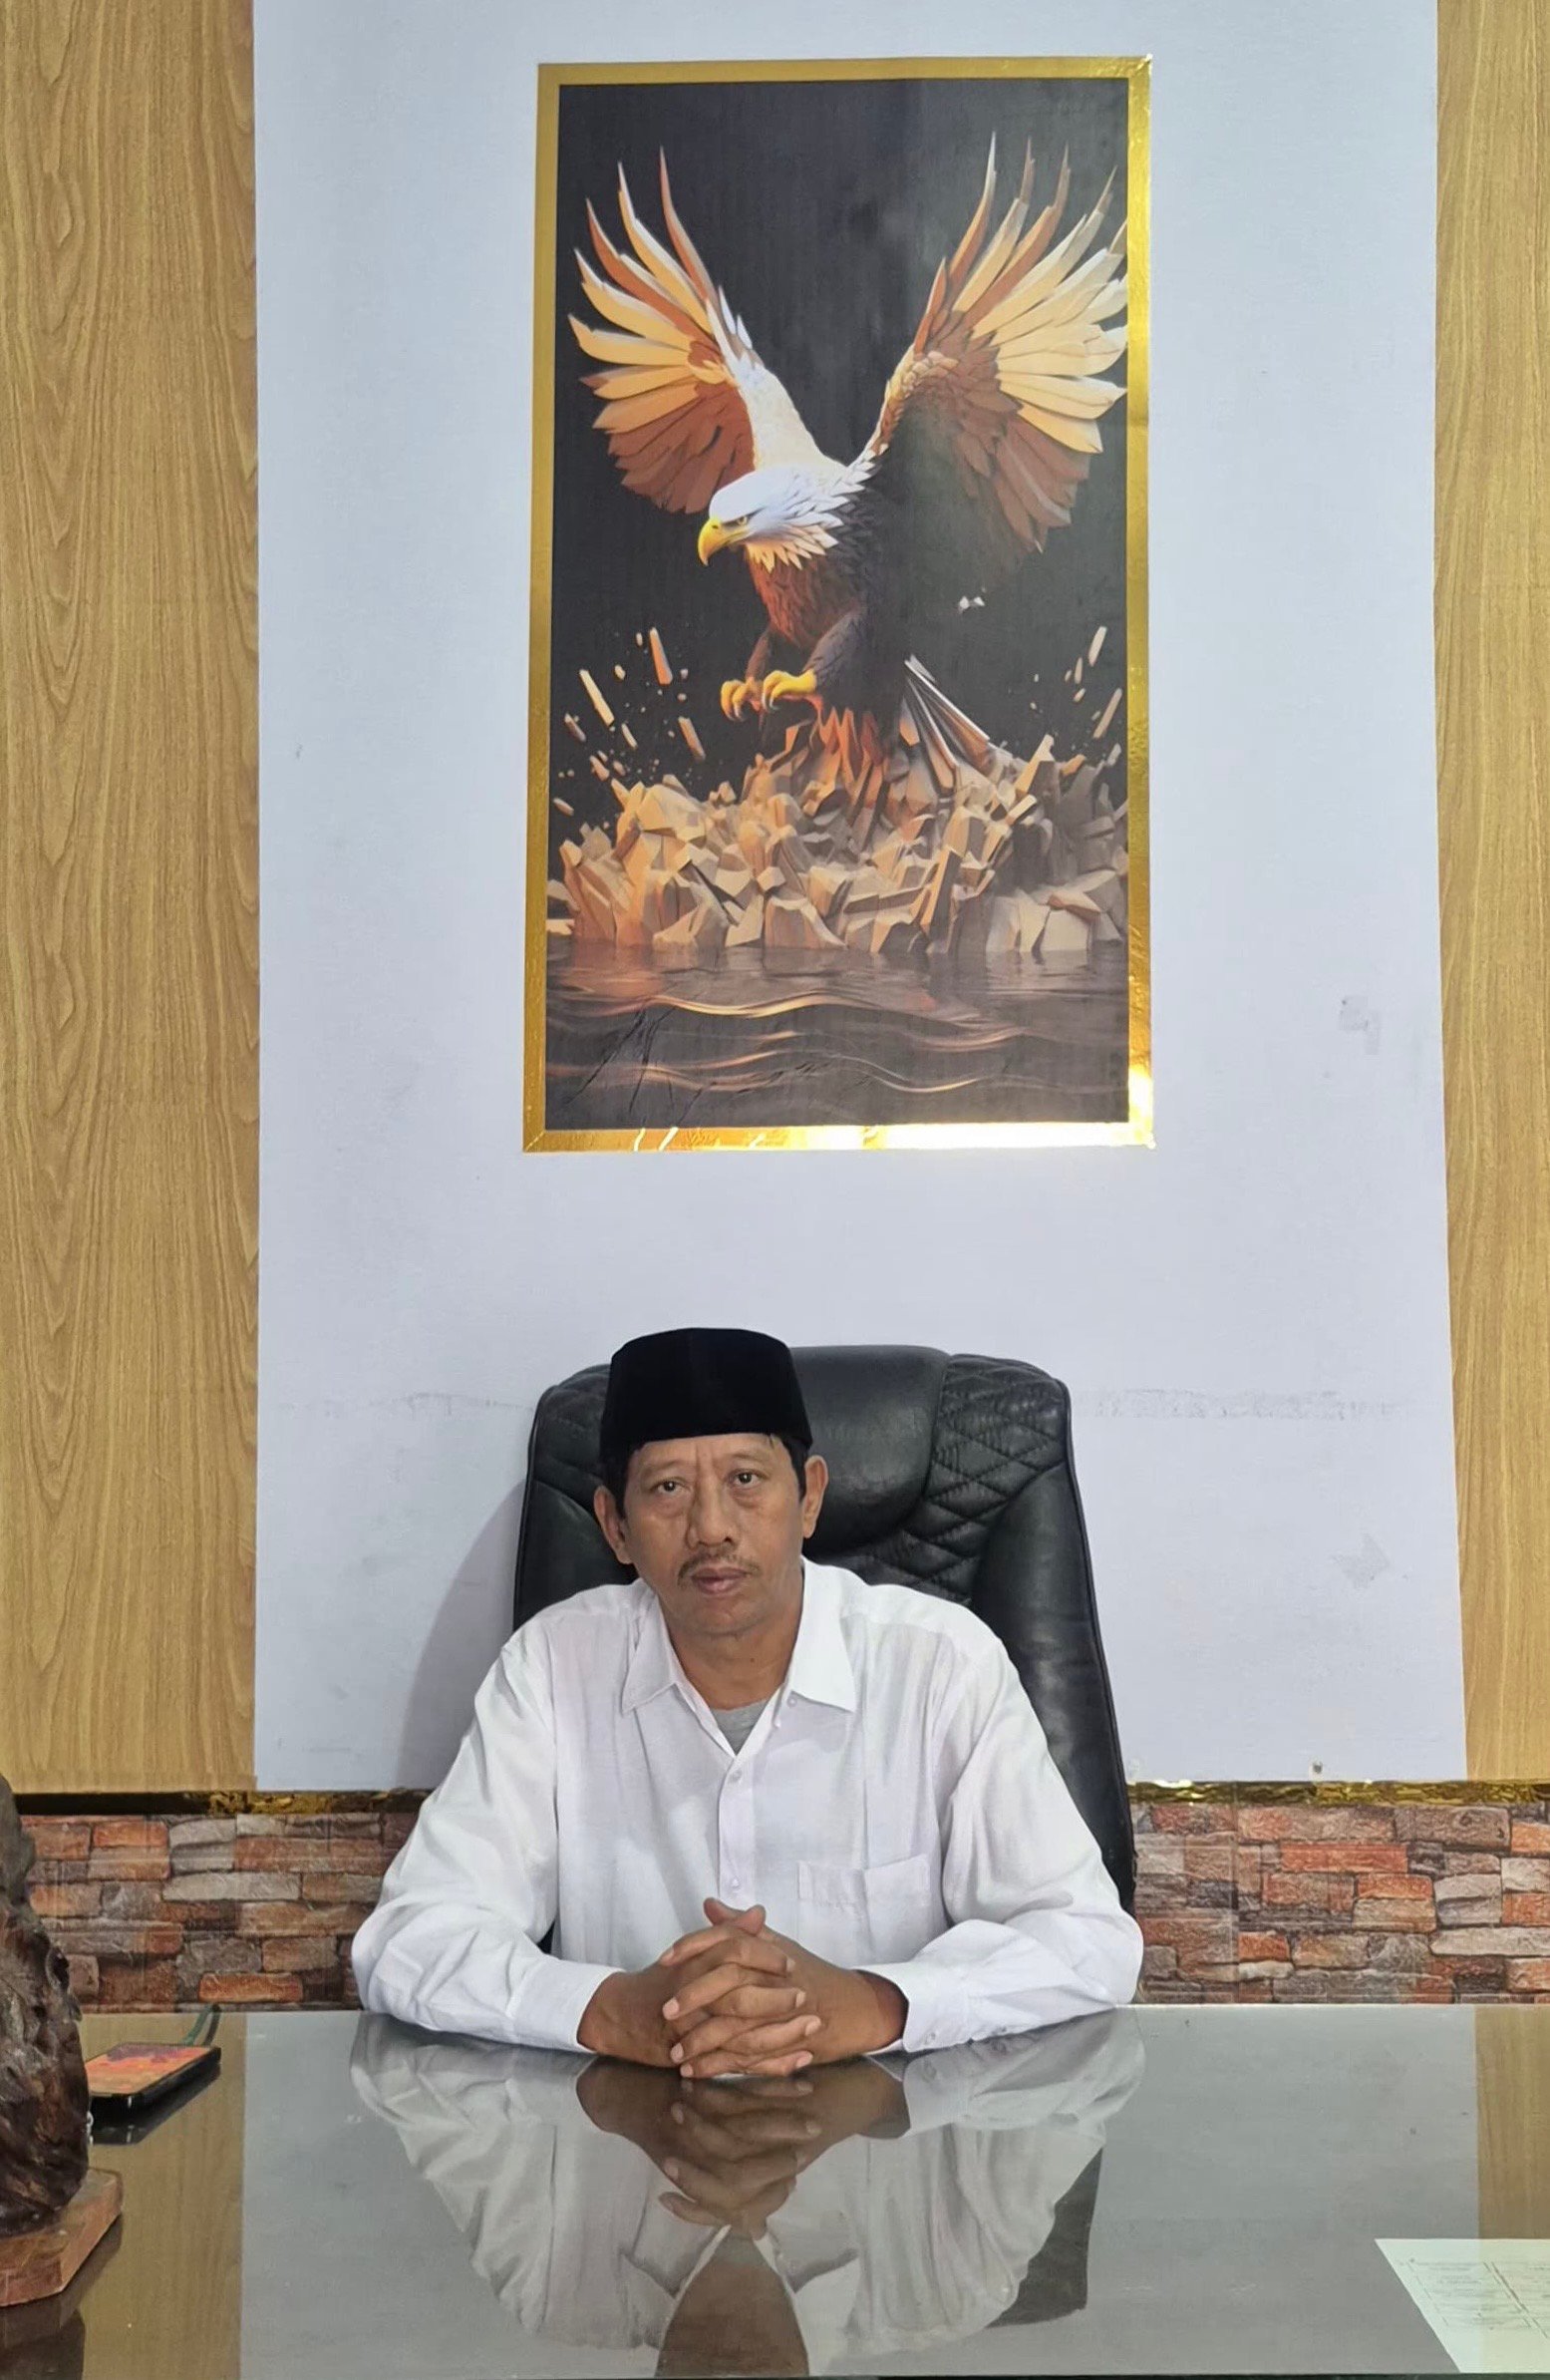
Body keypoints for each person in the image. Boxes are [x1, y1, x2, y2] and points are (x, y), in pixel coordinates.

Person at [352, 1326, 1141, 2070]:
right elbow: (410, 1939)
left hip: (887, 2144)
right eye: (667, 1487)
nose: (710, 1527)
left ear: (809, 1497)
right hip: (626, 2146)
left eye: (745, 1480)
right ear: (614, 1526)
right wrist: (611, 2009)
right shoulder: (552, 1667)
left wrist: (876, 2002)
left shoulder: (940, 1664)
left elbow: (1084, 1936)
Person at [350, 2006, 1145, 2373]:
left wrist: (868, 1999)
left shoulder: (551, 2287)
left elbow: (1084, 1946)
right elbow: (1083, 2082)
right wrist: (880, 2008)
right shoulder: (946, 2285)